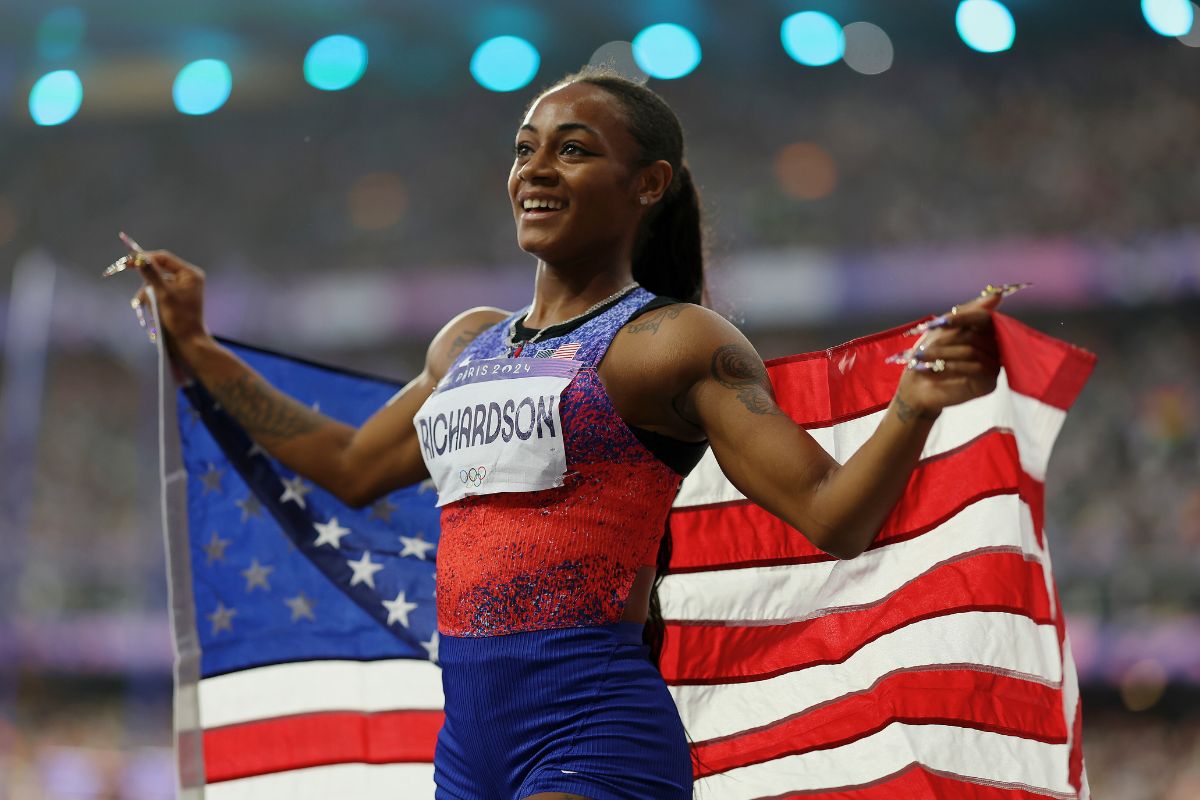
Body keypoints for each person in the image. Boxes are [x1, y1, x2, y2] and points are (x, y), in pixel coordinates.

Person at [126, 67, 1005, 800]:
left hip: (595, 731)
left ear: (648, 184)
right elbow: (349, 464)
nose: (535, 170)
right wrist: (198, 348)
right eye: (525, 149)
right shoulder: (465, 345)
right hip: (467, 749)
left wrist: (913, 402)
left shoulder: (670, 342)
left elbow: (830, 513)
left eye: (573, 151)